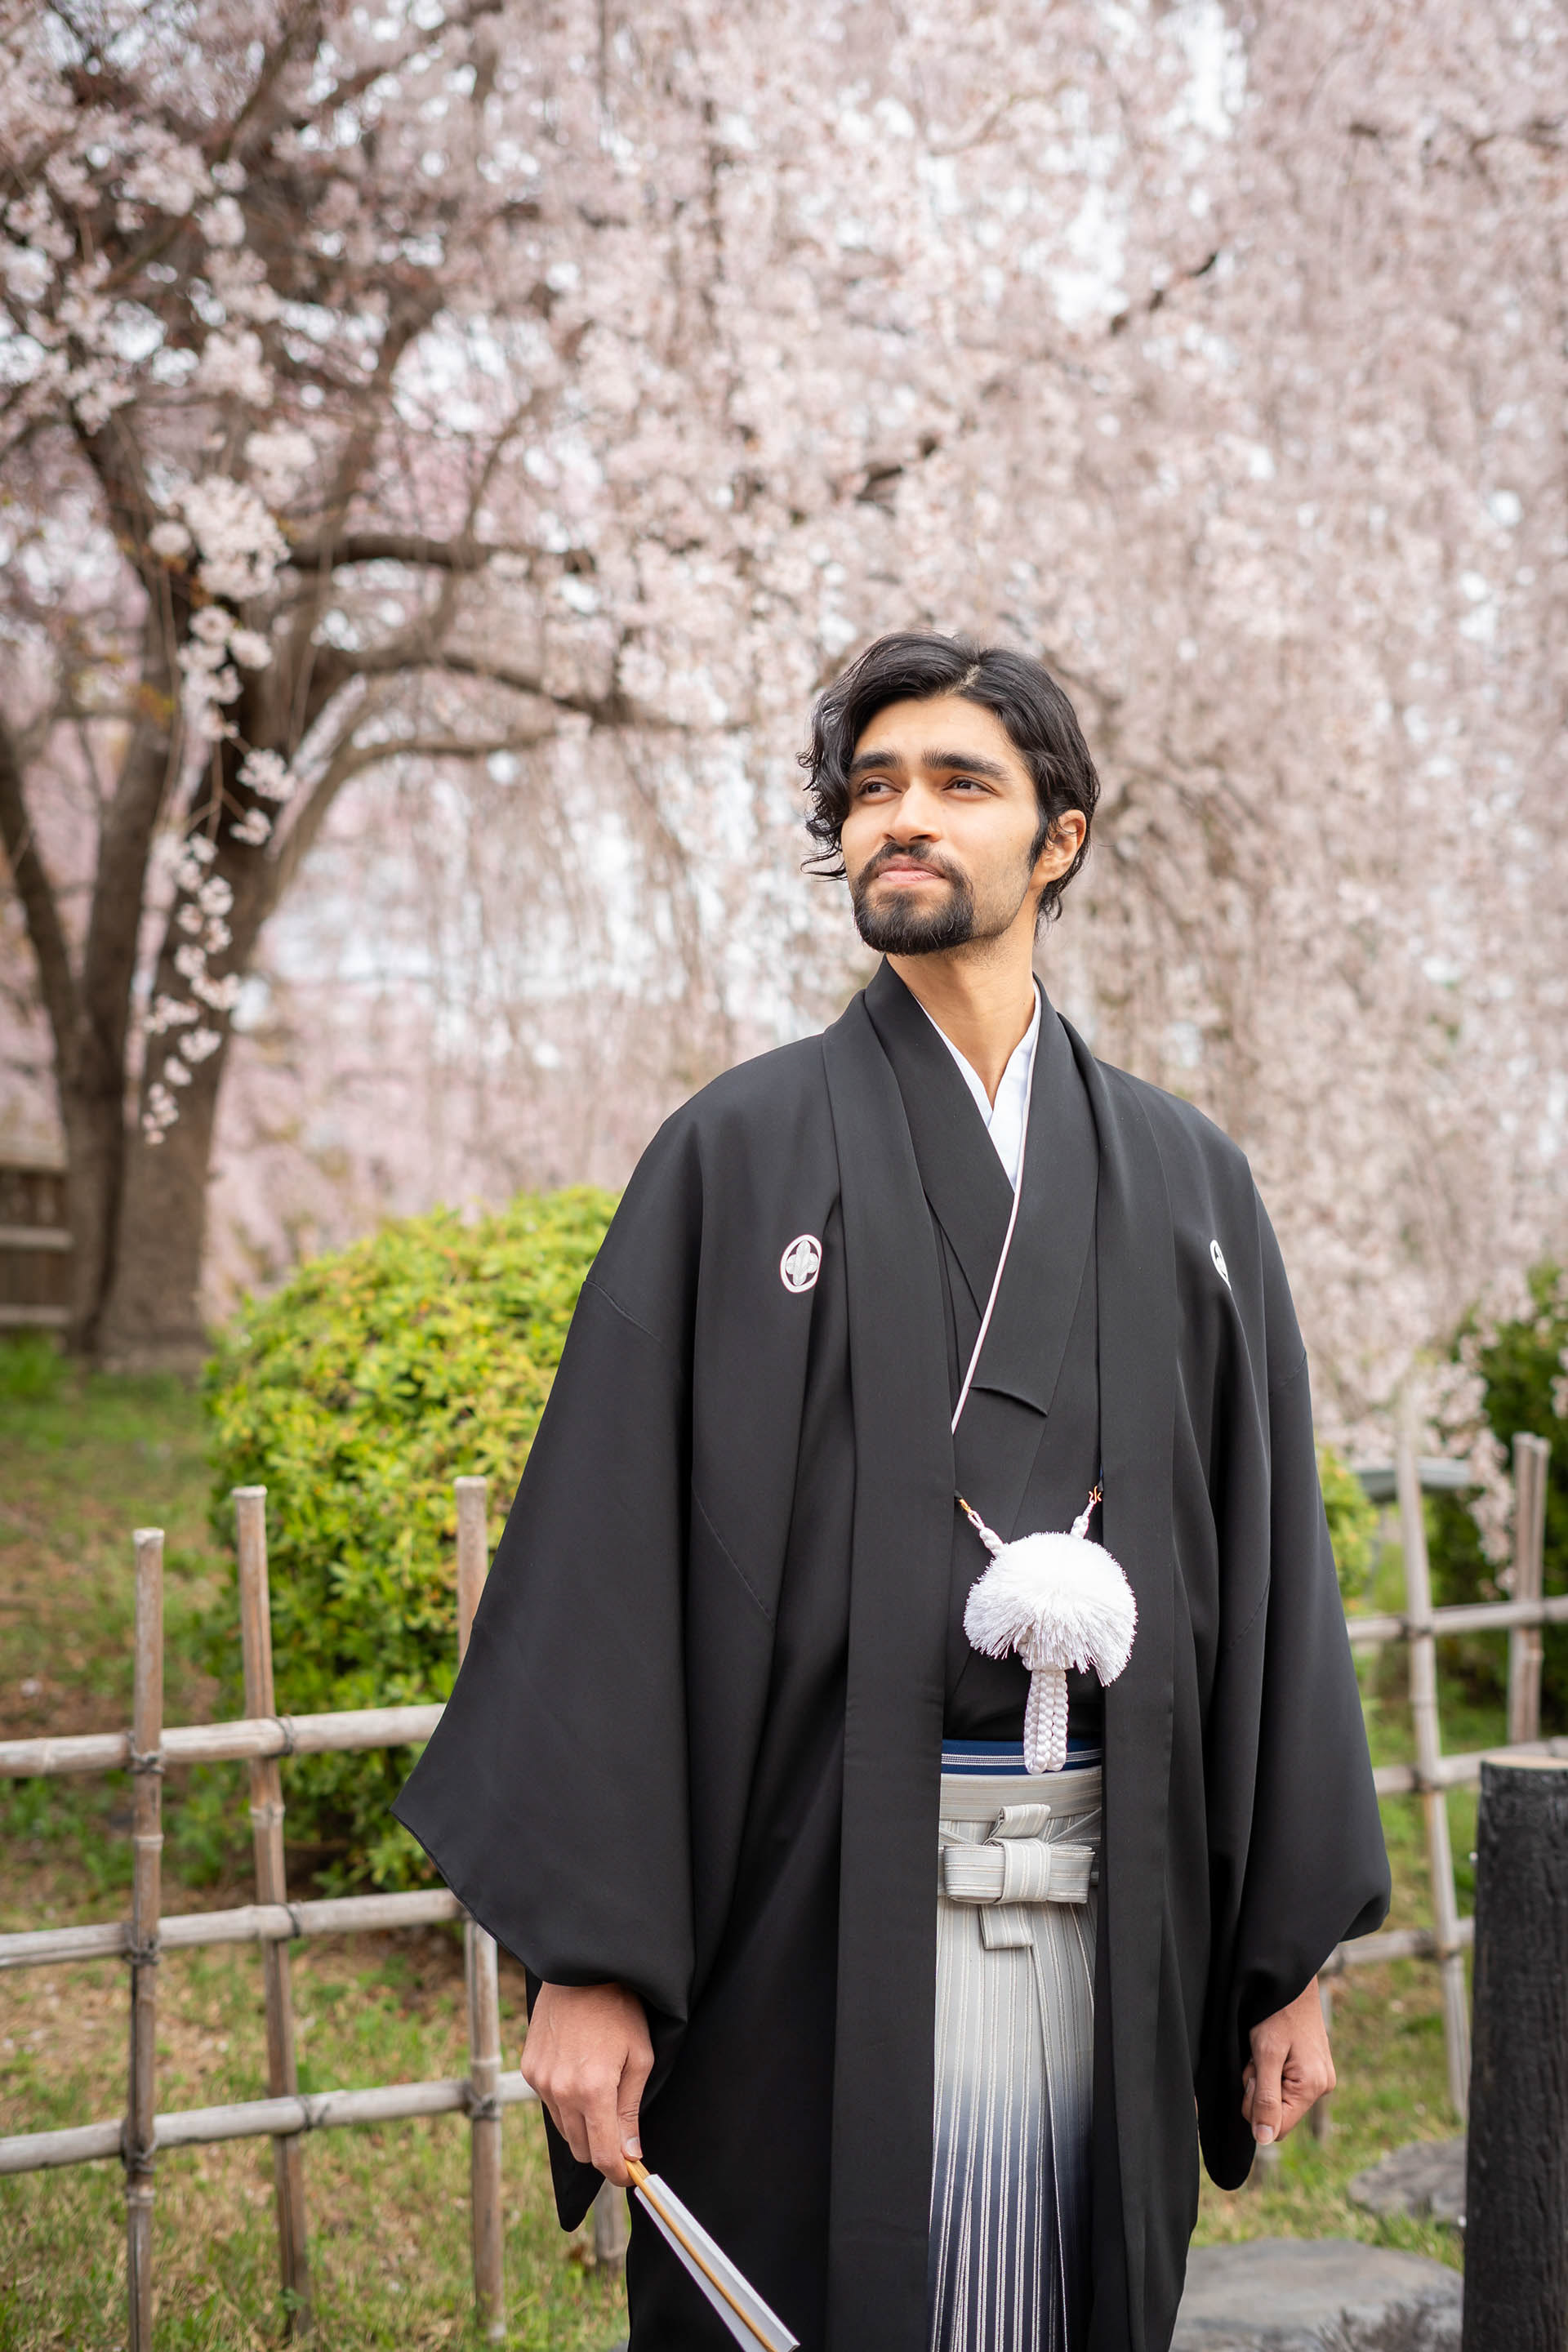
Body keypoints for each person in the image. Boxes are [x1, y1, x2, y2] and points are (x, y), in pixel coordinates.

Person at [395, 631, 1389, 2352]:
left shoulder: (1187, 1181)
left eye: (957, 784)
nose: (900, 820)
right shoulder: (740, 1153)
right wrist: (593, 1956)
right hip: (808, 1917)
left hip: (1115, 1896)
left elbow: (1268, 1575)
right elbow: (613, 1566)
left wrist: (1286, 1950)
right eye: (870, 790)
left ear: (1057, 841)